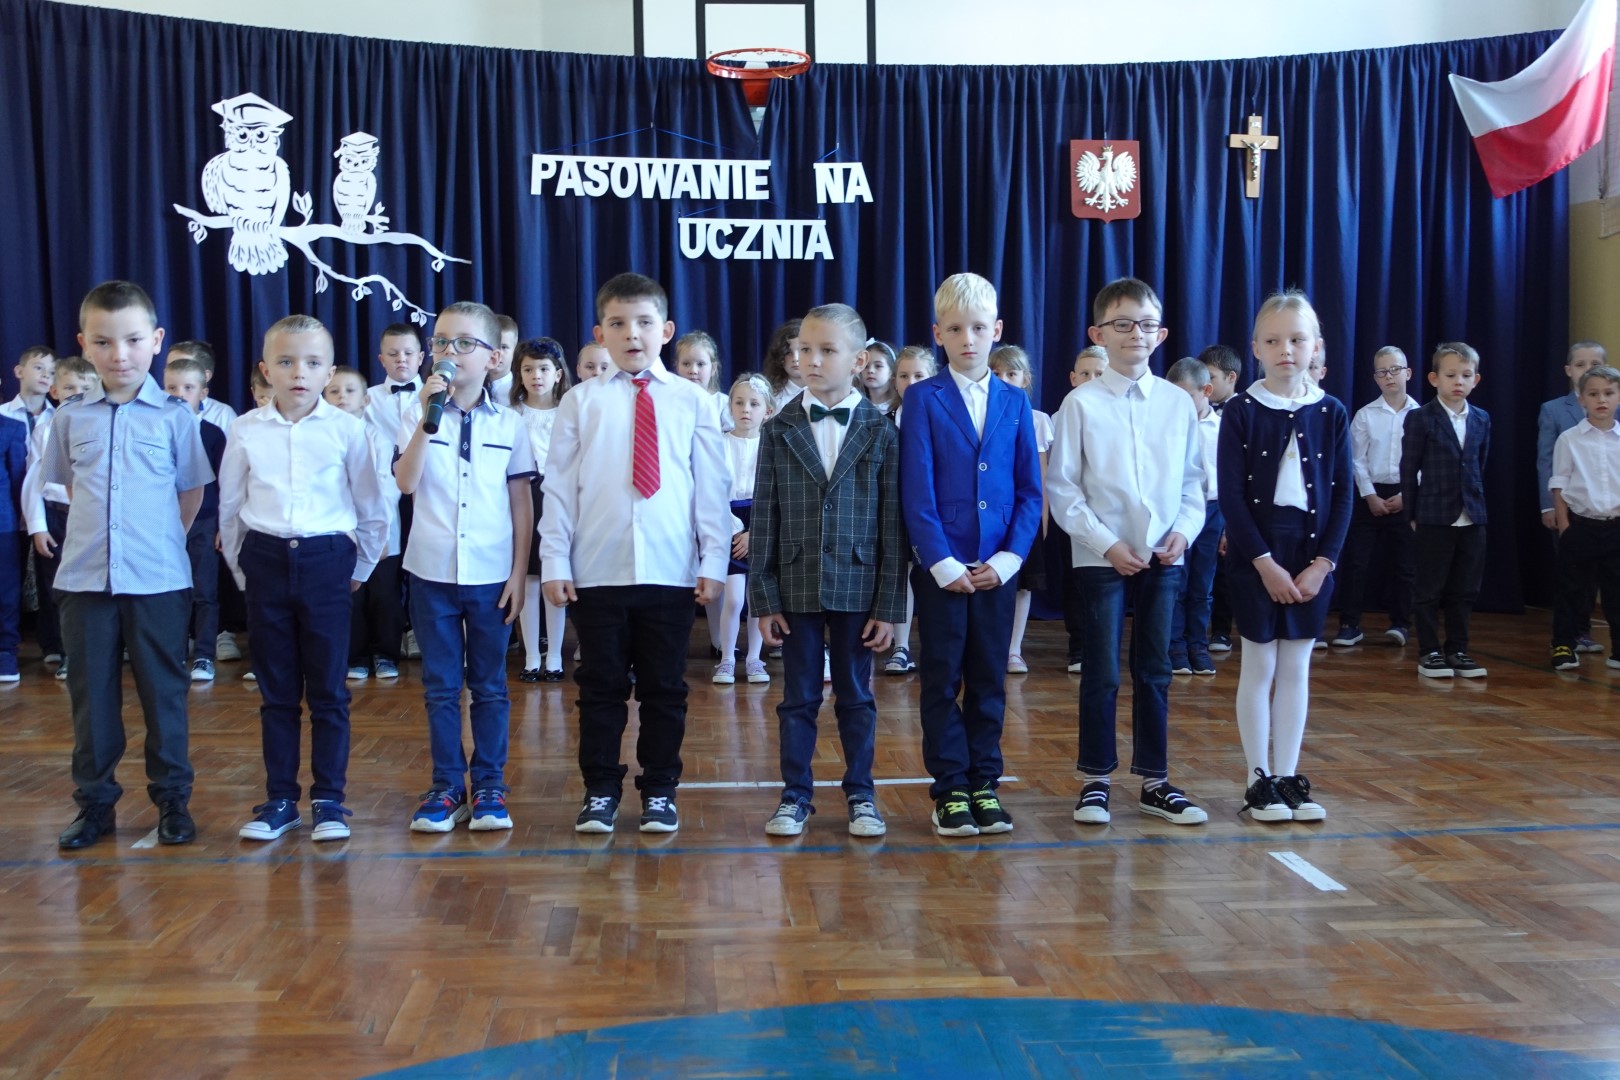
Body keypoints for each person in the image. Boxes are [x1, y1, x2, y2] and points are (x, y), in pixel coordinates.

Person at [541, 272, 730, 835]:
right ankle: (600, 789)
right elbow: (559, 488)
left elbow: (711, 487)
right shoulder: (580, 402)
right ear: (600, 333)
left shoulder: (692, 401)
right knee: (599, 688)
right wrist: (555, 561)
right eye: (618, 324)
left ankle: (660, 790)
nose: (632, 334)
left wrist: (713, 561)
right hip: (597, 569)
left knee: (664, 689)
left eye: (645, 323)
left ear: (665, 331)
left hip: (670, 572)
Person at [49, 280, 212, 849]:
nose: (119, 354)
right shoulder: (69, 418)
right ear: (84, 345)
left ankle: (172, 801)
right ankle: (94, 805)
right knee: (91, 700)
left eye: (133, 340)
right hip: (85, 579)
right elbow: (71, 487)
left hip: (158, 579)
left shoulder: (175, 417)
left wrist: (158, 543)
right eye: (103, 342)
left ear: (157, 341)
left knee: (163, 694)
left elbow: (190, 493)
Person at [1047, 277, 1207, 827]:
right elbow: (1064, 489)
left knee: (1156, 668)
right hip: (1102, 556)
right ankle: (1095, 780)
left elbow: (1193, 482)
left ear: (1160, 334)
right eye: (1122, 324)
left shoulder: (1177, 403)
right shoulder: (1081, 403)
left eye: (1145, 324)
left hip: (1164, 555)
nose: (1134, 333)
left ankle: (1155, 781)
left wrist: (1184, 531)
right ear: (1099, 334)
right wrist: (1107, 543)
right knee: (1101, 671)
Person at [220, 317, 388, 842]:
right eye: (286, 362)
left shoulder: (348, 430)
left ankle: (330, 800)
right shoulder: (245, 429)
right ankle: (279, 800)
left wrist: (358, 569)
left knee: (329, 690)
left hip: (327, 560)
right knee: (277, 691)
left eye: (312, 363)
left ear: (329, 372)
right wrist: (244, 572)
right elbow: (230, 506)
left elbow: (371, 508)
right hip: (265, 559)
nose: (299, 373)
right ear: (266, 370)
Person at [752, 305, 905, 837]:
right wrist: (763, 597)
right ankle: (794, 796)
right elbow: (764, 516)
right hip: (794, 584)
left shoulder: (882, 431)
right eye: (804, 350)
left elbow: (893, 525)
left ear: (858, 360)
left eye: (826, 350)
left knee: (857, 697)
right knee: (797, 698)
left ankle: (862, 794)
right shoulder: (778, 428)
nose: (810, 360)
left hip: (859, 587)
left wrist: (889, 607)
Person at [899, 273, 1042, 837]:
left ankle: (984, 781)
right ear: (938, 334)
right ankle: (950, 788)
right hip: (943, 570)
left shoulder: (1015, 401)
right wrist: (941, 563)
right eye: (955, 329)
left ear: (996, 331)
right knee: (941, 679)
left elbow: (1029, 492)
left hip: (996, 570)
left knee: (988, 679)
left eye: (979, 328)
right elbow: (917, 491)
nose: (968, 339)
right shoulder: (922, 398)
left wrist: (1008, 561)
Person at [397, 301, 535, 831]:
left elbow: (521, 502)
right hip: (430, 571)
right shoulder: (417, 413)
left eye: (463, 343)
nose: (448, 353)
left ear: (494, 358)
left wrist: (519, 573)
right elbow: (406, 482)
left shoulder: (512, 423)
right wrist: (425, 421)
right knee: (440, 686)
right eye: (440, 342)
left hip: (491, 575)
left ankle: (490, 786)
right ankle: (446, 786)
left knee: (490, 685)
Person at [1217, 292, 1351, 822]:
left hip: (1311, 552)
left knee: (1297, 664)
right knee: (1260, 663)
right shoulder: (1241, 410)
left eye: (1297, 340)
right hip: (1258, 551)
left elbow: (1343, 494)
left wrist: (1323, 564)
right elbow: (1231, 497)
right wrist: (1264, 563)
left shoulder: (1331, 411)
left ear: (1315, 346)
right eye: (1273, 341)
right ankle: (1258, 780)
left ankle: (1289, 777)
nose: (1286, 350)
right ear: (1256, 348)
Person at [1401, 343, 1491, 679]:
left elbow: (1479, 463)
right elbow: (1408, 469)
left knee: (1465, 588)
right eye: (1451, 375)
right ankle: (1429, 650)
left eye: (1466, 375)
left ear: (1476, 380)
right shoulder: (1421, 418)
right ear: (1434, 378)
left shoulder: (1481, 418)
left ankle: (1458, 649)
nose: (1459, 381)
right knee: (1429, 587)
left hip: (1473, 515)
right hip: (1433, 514)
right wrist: (1411, 514)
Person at [1331, 346, 1419, 647]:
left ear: (1408, 373)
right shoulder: (1365, 415)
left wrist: (1407, 494)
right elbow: (1356, 459)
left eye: (1395, 370)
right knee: (1357, 562)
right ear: (1375, 378)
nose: (1389, 376)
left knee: (1405, 564)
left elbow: (1424, 460)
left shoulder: (1420, 414)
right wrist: (1369, 495)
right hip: (1368, 495)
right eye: (1382, 372)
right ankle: (1350, 624)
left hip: (1406, 494)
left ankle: (1401, 623)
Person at [323, 365, 405, 680]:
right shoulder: (320, 437)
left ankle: (386, 654)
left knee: (384, 596)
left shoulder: (378, 439)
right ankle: (355, 656)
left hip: (380, 533)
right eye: (334, 391)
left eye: (349, 391)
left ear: (365, 399)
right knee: (351, 597)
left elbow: (387, 488)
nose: (341, 397)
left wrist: (376, 534)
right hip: (339, 535)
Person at [25, 357, 99, 679]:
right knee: (61, 588)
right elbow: (34, 483)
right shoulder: (47, 427)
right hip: (57, 516)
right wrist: (38, 527)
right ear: (55, 391)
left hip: (92, 517)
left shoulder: (101, 423)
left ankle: (96, 651)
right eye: (69, 388)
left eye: (85, 388)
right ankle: (67, 652)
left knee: (92, 589)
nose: (77, 394)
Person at [161, 355, 229, 682]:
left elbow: (226, 483)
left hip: (204, 522)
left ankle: (204, 654)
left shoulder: (213, 434)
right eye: (171, 388)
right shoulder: (155, 429)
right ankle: (173, 652)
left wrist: (222, 525)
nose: (179, 394)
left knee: (204, 590)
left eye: (188, 388)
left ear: (202, 393)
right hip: (163, 523)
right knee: (169, 592)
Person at [1539, 341, 1608, 656]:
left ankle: (1584, 630)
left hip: (1604, 507)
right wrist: (1548, 505)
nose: (1588, 369)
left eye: (1595, 364)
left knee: (1599, 574)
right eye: (1581, 364)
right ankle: (1568, 633)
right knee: (1572, 572)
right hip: (1568, 506)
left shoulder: (1614, 407)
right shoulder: (1554, 410)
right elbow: (1545, 461)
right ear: (1569, 370)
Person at [1549, 365, 1620, 670]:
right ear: (1582, 399)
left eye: (1608, 393)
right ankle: (1564, 645)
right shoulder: (1570, 439)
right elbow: (1559, 483)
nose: (1601, 400)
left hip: (1615, 527)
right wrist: (1565, 525)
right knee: (1572, 589)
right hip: (1581, 526)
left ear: (1618, 397)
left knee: (1616, 591)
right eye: (1593, 394)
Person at [987, 344, 1052, 675]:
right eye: (996, 372)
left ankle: (1014, 649)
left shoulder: (1037, 419)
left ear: (1025, 379)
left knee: (1022, 583)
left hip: (1023, 515)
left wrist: (1041, 519)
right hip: (991, 513)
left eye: (1011, 373)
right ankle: (989, 648)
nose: (1003, 379)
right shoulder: (979, 413)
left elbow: (1040, 475)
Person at [511, 337, 570, 682]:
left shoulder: (568, 411)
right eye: (528, 369)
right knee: (529, 579)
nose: (536, 376)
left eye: (544, 369)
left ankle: (555, 656)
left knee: (554, 576)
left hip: (558, 498)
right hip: (522, 496)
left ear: (558, 374)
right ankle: (532, 655)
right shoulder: (511, 413)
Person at [1164, 356, 1222, 677]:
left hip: (1213, 511)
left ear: (1206, 391)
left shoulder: (1223, 428)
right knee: (1177, 581)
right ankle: (1175, 647)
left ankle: (1198, 645)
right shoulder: (1167, 427)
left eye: (1187, 396)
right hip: (1178, 511)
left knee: (1203, 583)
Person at [881, 344, 937, 676]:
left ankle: (937, 647)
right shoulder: (883, 423)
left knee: (932, 575)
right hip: (894, 511)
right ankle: (900, 647)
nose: (911, 382)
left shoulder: (943, 419)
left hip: (934, 513)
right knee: (900, 575)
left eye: (919, 375)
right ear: (894, 381)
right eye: (904, 376)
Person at [714, 373, 772, 686]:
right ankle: (726, 657)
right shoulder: (719, 443)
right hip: (727, 522)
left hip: (762, 523)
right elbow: (712, 488)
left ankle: (754, 658)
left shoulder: (771, 446)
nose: (745, 409)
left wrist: (755, 531)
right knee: (734, 599)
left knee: (757, 598)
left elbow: (774, 494)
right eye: (739, 402)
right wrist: (734, 528)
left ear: (768, 411)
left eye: (753, 403)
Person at [1061, 345, 1108, 673]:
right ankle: (1078, 646)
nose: (1091, 379)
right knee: (1075, 583)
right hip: (1073, 518)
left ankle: (1102, 648)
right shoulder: (1062, 416)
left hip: (1110, 520)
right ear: (1073, 378)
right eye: (1085, 373)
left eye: (1099, 374)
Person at [1200, 343, 1245, 654]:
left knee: (1226, 571)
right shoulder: (1196, 411)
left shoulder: (1244, 412)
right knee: (1199, 573)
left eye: (1212, 377)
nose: (1206, 384)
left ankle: (1221, 630)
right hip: (1200, 503)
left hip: (1229, 505)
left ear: (1231, 377)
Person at [364, 322, 427, 446]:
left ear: (420, 358)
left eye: (408, 353)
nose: (401, 359)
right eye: (393, 354)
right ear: (382, 360)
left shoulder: (435, 397)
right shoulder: (366, 399)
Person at [167, 340, 237, 434]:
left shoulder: (222, 415)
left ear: (205, 376)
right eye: (170, 367)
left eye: (184, 366)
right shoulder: (154, 410)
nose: (174, 373)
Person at [763, 319, 806, 412]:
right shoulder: (771, 397)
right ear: (779, 357)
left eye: (801, 350)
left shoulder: (825, 392)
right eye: (788, 352)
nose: (795, 358)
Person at [860, 340, 900, 415]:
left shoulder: (900, 409)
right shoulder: (858, 407)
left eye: (878, 366)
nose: (870, 370)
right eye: (866, 366)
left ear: (891, 371)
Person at [489, 313, 520, 404]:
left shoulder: (521, 393)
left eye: (504, 347)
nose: (497, 353)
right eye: (491, 346)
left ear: (515, 351)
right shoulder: (469, 388)